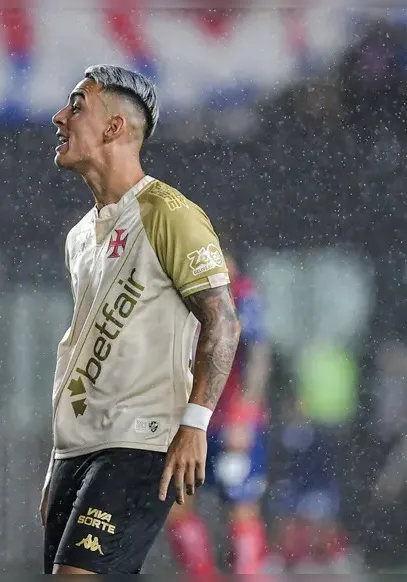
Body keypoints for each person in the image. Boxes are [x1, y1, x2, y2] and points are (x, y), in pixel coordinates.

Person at [40, 64, 242, 575]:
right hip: (78, 448)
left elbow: (223, 322)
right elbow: (83, 346)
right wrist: (58, 458)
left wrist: (194, 425)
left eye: (76, 105)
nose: (59, 117)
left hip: (141, 440)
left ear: (114, 128)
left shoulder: (169, 212)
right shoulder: (79, 236)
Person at [165, 249, 272, 575]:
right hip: (194, 419)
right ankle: (202, 574)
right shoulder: (186, 295)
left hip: (232, 423)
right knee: (177, 503)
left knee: (240, 504)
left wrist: (244, 414)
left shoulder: (241, 294)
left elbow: (258, 354)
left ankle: (248, 573)